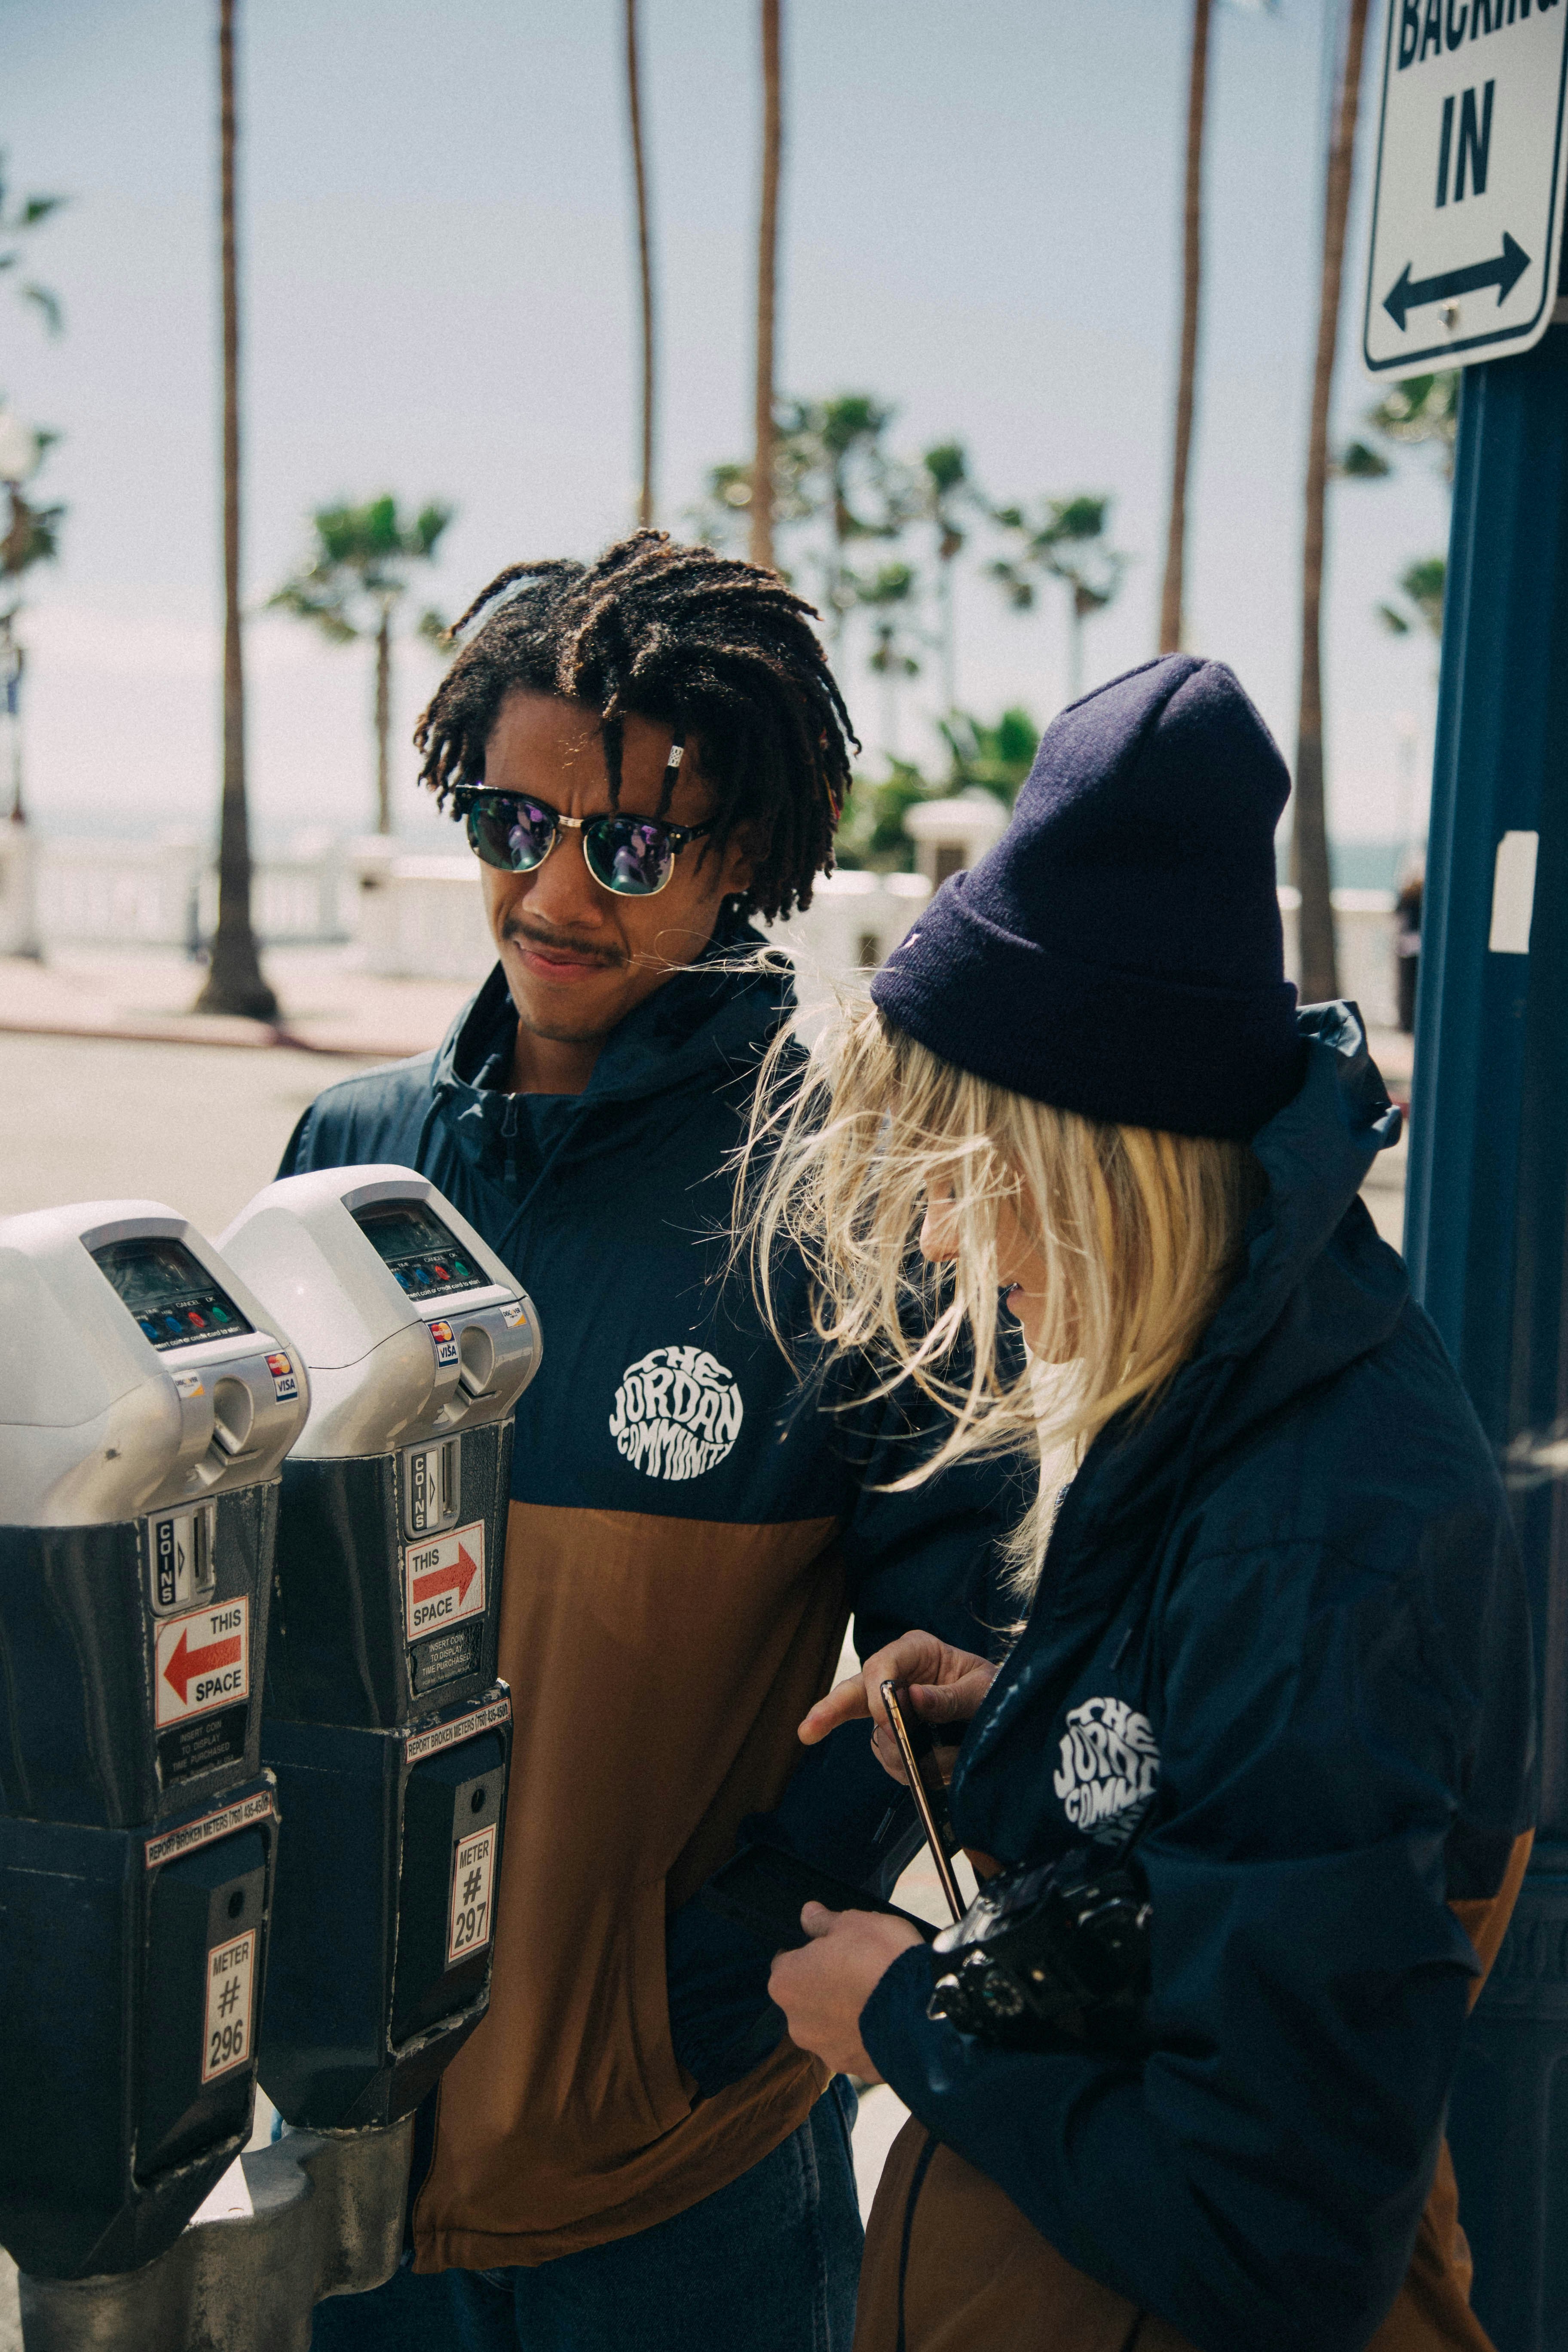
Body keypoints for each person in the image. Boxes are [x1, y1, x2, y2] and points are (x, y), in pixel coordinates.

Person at [750, 654, 1535, 2352]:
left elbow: (1276, 2238)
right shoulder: (1248, 1381)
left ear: (1100, 1166)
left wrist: (904, 2023)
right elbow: (1225, 1803)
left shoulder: (1320, 1525)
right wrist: (1029, 1714)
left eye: (974, 1179)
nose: (949, 1243)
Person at [286, 532, 1014, 2351]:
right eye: (510, 822)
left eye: (626, 847)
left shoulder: (850, 1193)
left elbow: (969, 1653)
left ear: (745, 855)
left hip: (675, 2182)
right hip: (343, 2165)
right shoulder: (346, 1157)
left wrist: (709, 1982)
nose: (552, 891)